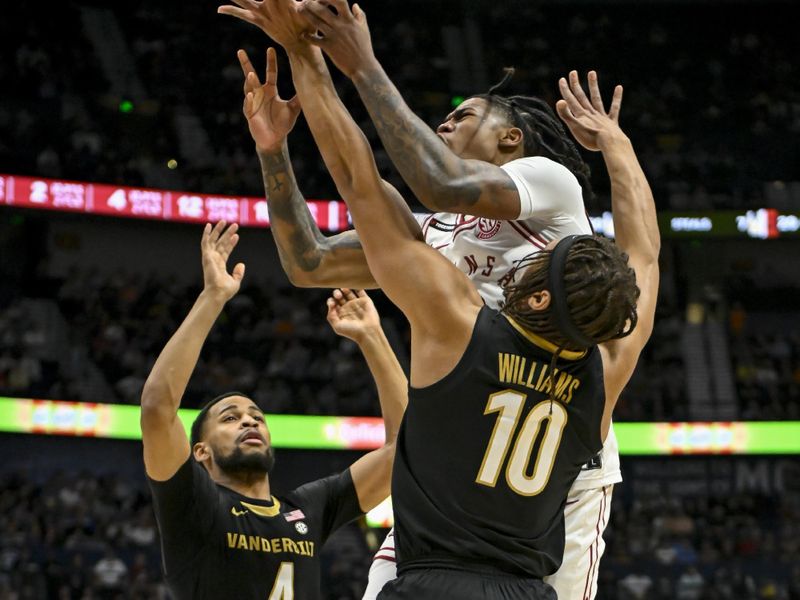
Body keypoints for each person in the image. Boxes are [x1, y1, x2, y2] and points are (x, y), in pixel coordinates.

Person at [217, 2, 624, 597]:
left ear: (510, 138)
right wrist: (274, 149)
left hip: (555, 458)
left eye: (463, 116)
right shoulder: (434, 232)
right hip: (453, 456)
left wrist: (360, 62)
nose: (443, 124)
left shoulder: (548, 182)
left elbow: (439, 180)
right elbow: (308, 262)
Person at [140, 220, 408, 600]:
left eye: (256, 417)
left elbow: (402, 450)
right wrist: (213, 297)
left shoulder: (306, 509)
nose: (249, 419)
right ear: (200, 451)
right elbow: (156, 407)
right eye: (230, 417)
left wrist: (372, 336)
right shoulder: (194, 506)